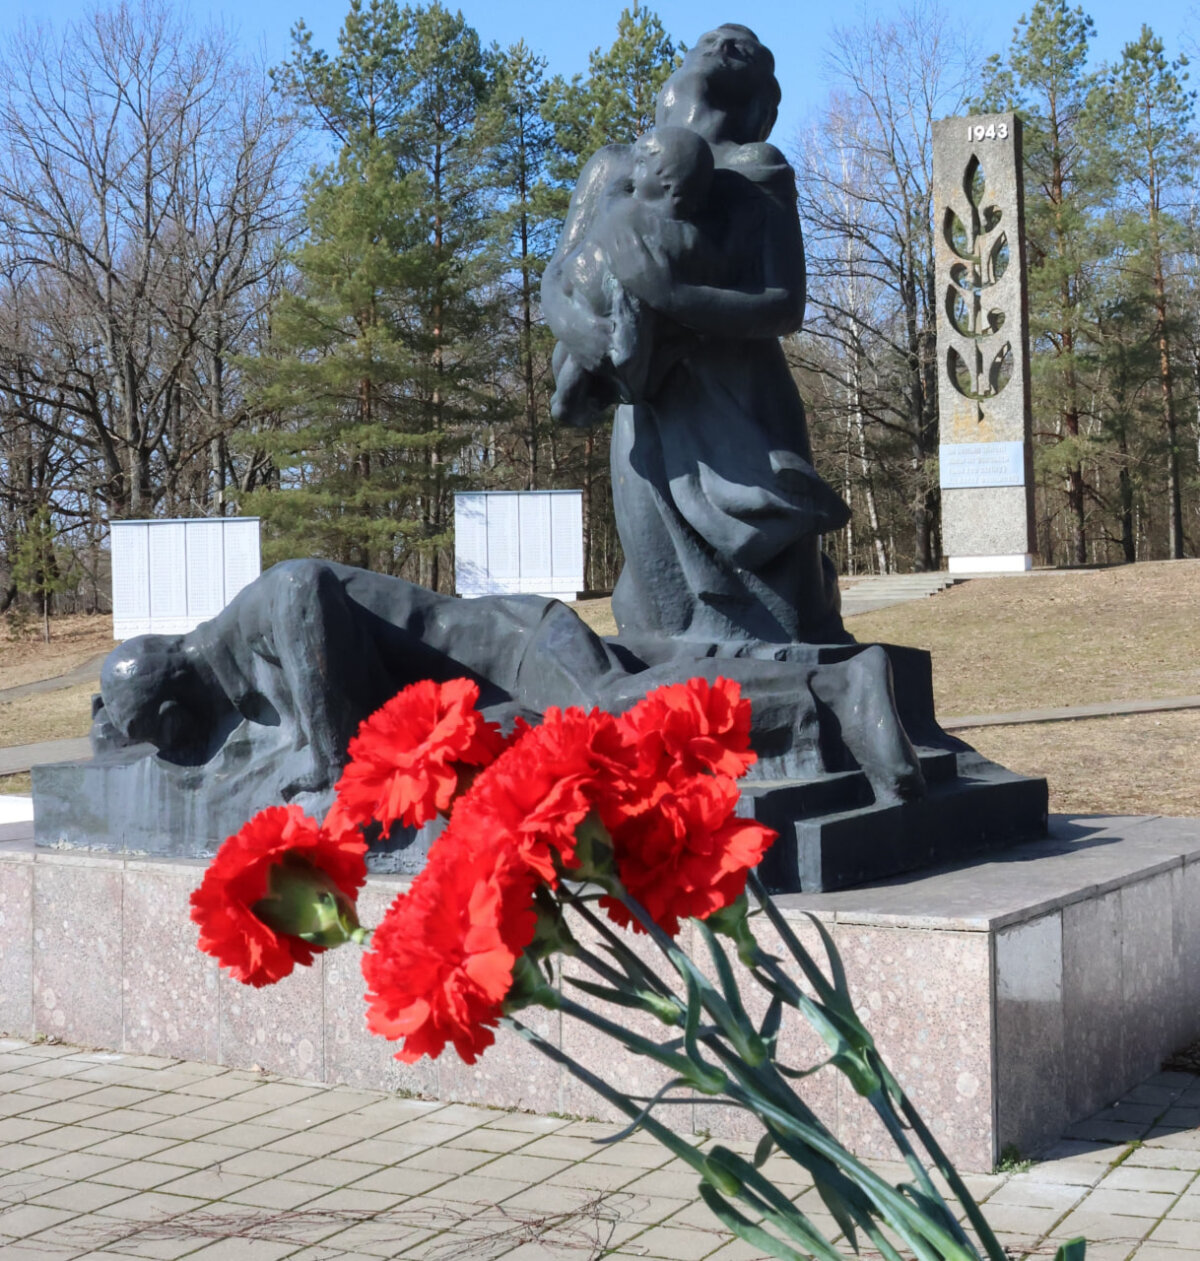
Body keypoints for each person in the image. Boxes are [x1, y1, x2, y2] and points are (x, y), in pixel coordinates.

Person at [94, 558, 924, 805]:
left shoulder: (255, 616)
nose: (180, 749)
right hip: (504, 680)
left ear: (175, 706)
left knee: (612, 714)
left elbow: (301, 587)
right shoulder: (237, 678)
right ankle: (822, 679)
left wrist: (326, 748)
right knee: (642, 689)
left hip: (517, 647)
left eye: (168, 737)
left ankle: (841, 694)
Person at [542, 25, 850, 646]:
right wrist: (589, 335)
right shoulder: (612, 166)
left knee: (777, 617)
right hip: (646, 410)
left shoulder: (756, 167)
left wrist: (670, 295)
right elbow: (558, 278)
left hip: (741, 409)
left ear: (761, 102)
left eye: (744, 50)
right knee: (661, 614)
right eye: (710, 39)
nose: (723, 44)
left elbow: (784, 306)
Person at [550, 125, 716, 427]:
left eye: (640, 165)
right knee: (604, 359)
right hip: (605, 319)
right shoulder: (687, 236)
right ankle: (575, 400)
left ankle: (568, 402)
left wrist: (617, 185)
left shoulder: (628, 211)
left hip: (613, 318)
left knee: (601, 362)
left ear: (667, 186)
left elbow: (608, 199)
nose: (633, 171)